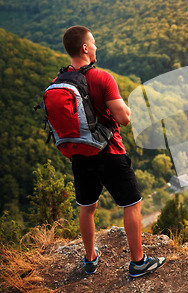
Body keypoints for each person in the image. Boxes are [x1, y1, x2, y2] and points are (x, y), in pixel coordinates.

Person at [62, 26, 165, 277]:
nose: (96, 47)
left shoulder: (60, 81)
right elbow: (124, 118)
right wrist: (127, 109)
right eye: (93, 43)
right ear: (85, 48)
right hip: (110, 152)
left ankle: (90, 258)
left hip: (80, 154)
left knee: (87, 207)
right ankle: (138, 262)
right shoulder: (102, 78)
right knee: (132, 203)